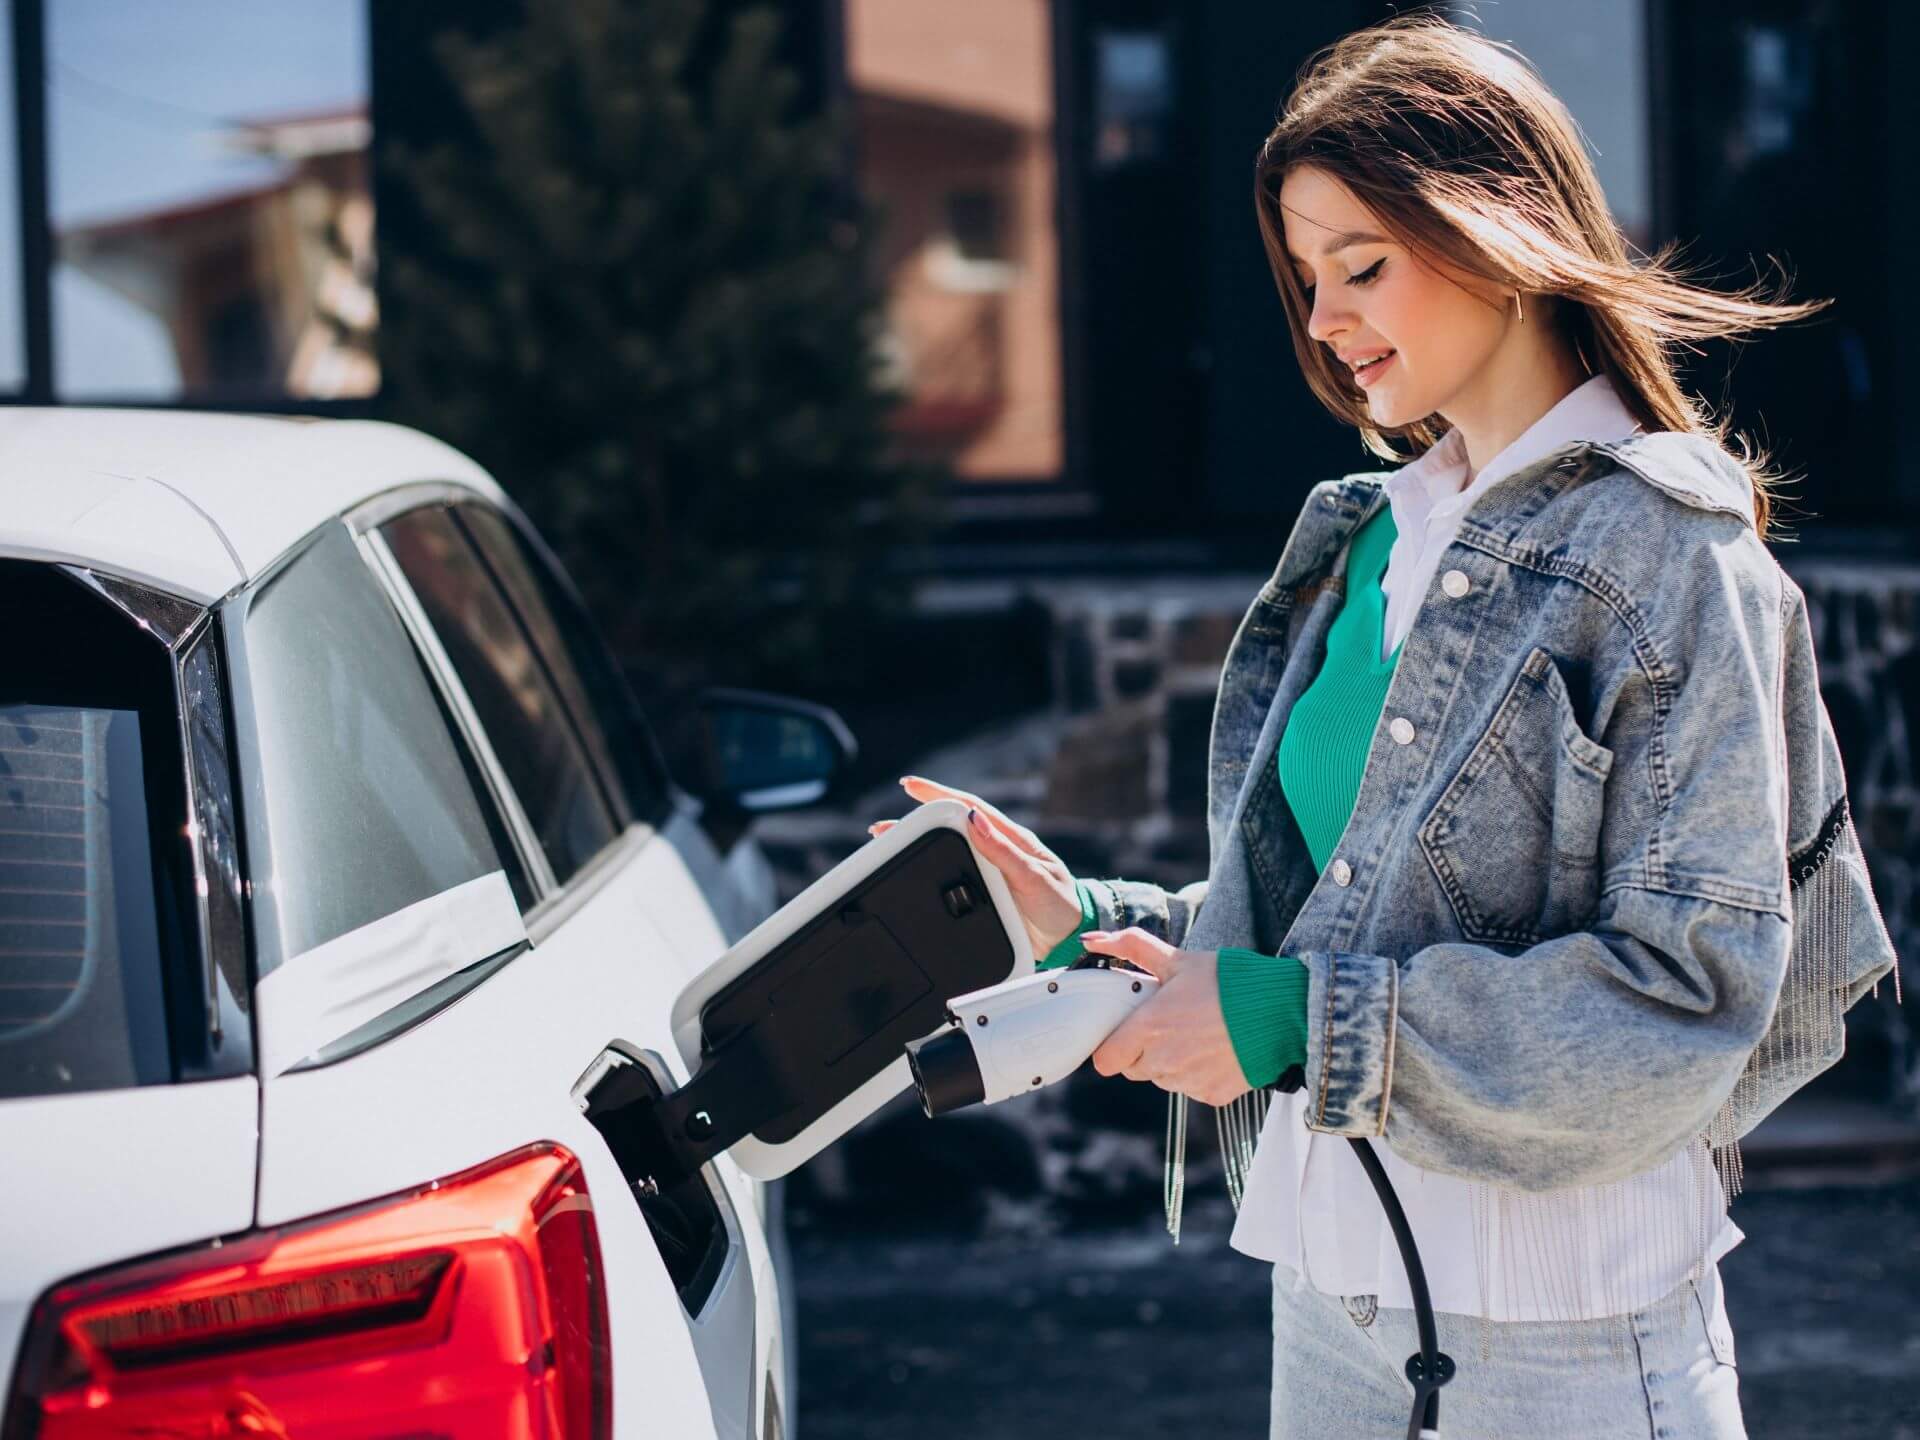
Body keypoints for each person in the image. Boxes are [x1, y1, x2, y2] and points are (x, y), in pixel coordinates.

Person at [868, 13, 1899, 1438]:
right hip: (1332, 1303)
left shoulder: (1674, 561)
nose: (1326, 319)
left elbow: (1690, 1000)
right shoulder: (1375, 543)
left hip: (1571, 1344)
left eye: (1364, 264)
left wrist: (1295, 1023)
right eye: (1304, 280)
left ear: (1505, 230)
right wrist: (1110, 923)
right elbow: (1355, 919)